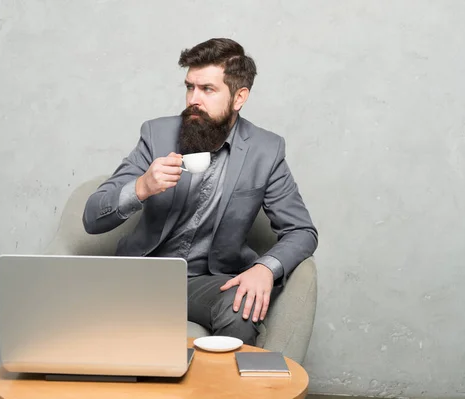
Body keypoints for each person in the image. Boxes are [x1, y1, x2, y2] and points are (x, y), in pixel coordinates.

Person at [82, 38, 318, 345]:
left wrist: (264, 268)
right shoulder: (156, 134)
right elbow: (92, 217)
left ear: (239, 97)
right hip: (142, 278)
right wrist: (141, 187)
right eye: (189, 87)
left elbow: (302, 231)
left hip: (206, 283)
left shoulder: (266, 151)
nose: (194, 99)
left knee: (241, 309)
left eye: (207, 89)